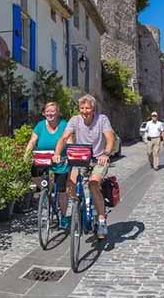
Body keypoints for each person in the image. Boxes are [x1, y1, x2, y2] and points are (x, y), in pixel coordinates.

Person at [53, 94, 115, 239]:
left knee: (93, 184)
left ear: (93, 109)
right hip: (80, 158)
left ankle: (101, 220)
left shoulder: (102, 119)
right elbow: (63, 137)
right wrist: (57, 153)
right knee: (70, 185)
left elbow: (110, 138)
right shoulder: (75, 120)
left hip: (98, 159)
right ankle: (78, 207)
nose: (84, 111)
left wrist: (106, 154)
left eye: (88, 108)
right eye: (82, 108)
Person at [26, 102, 72, 229]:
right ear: (44, 113)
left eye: (53, 111)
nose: (50, 113)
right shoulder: (40, 126)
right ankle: (46, 193)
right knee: (34, 173)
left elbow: (69, 141)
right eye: (47, 111)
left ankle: (63, 217)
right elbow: (32, 141)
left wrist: (68, 156)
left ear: (58, 113)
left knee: (62, 190)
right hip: (43, 159)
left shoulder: (64, 125)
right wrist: (26, 155)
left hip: (60, 160)